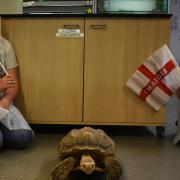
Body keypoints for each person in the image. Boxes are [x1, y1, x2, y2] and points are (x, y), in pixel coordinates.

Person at [0, 35, 33, 149]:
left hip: (1, 107)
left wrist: (5, 102)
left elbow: (13, 83)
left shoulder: (5, 45)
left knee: (23, 137)